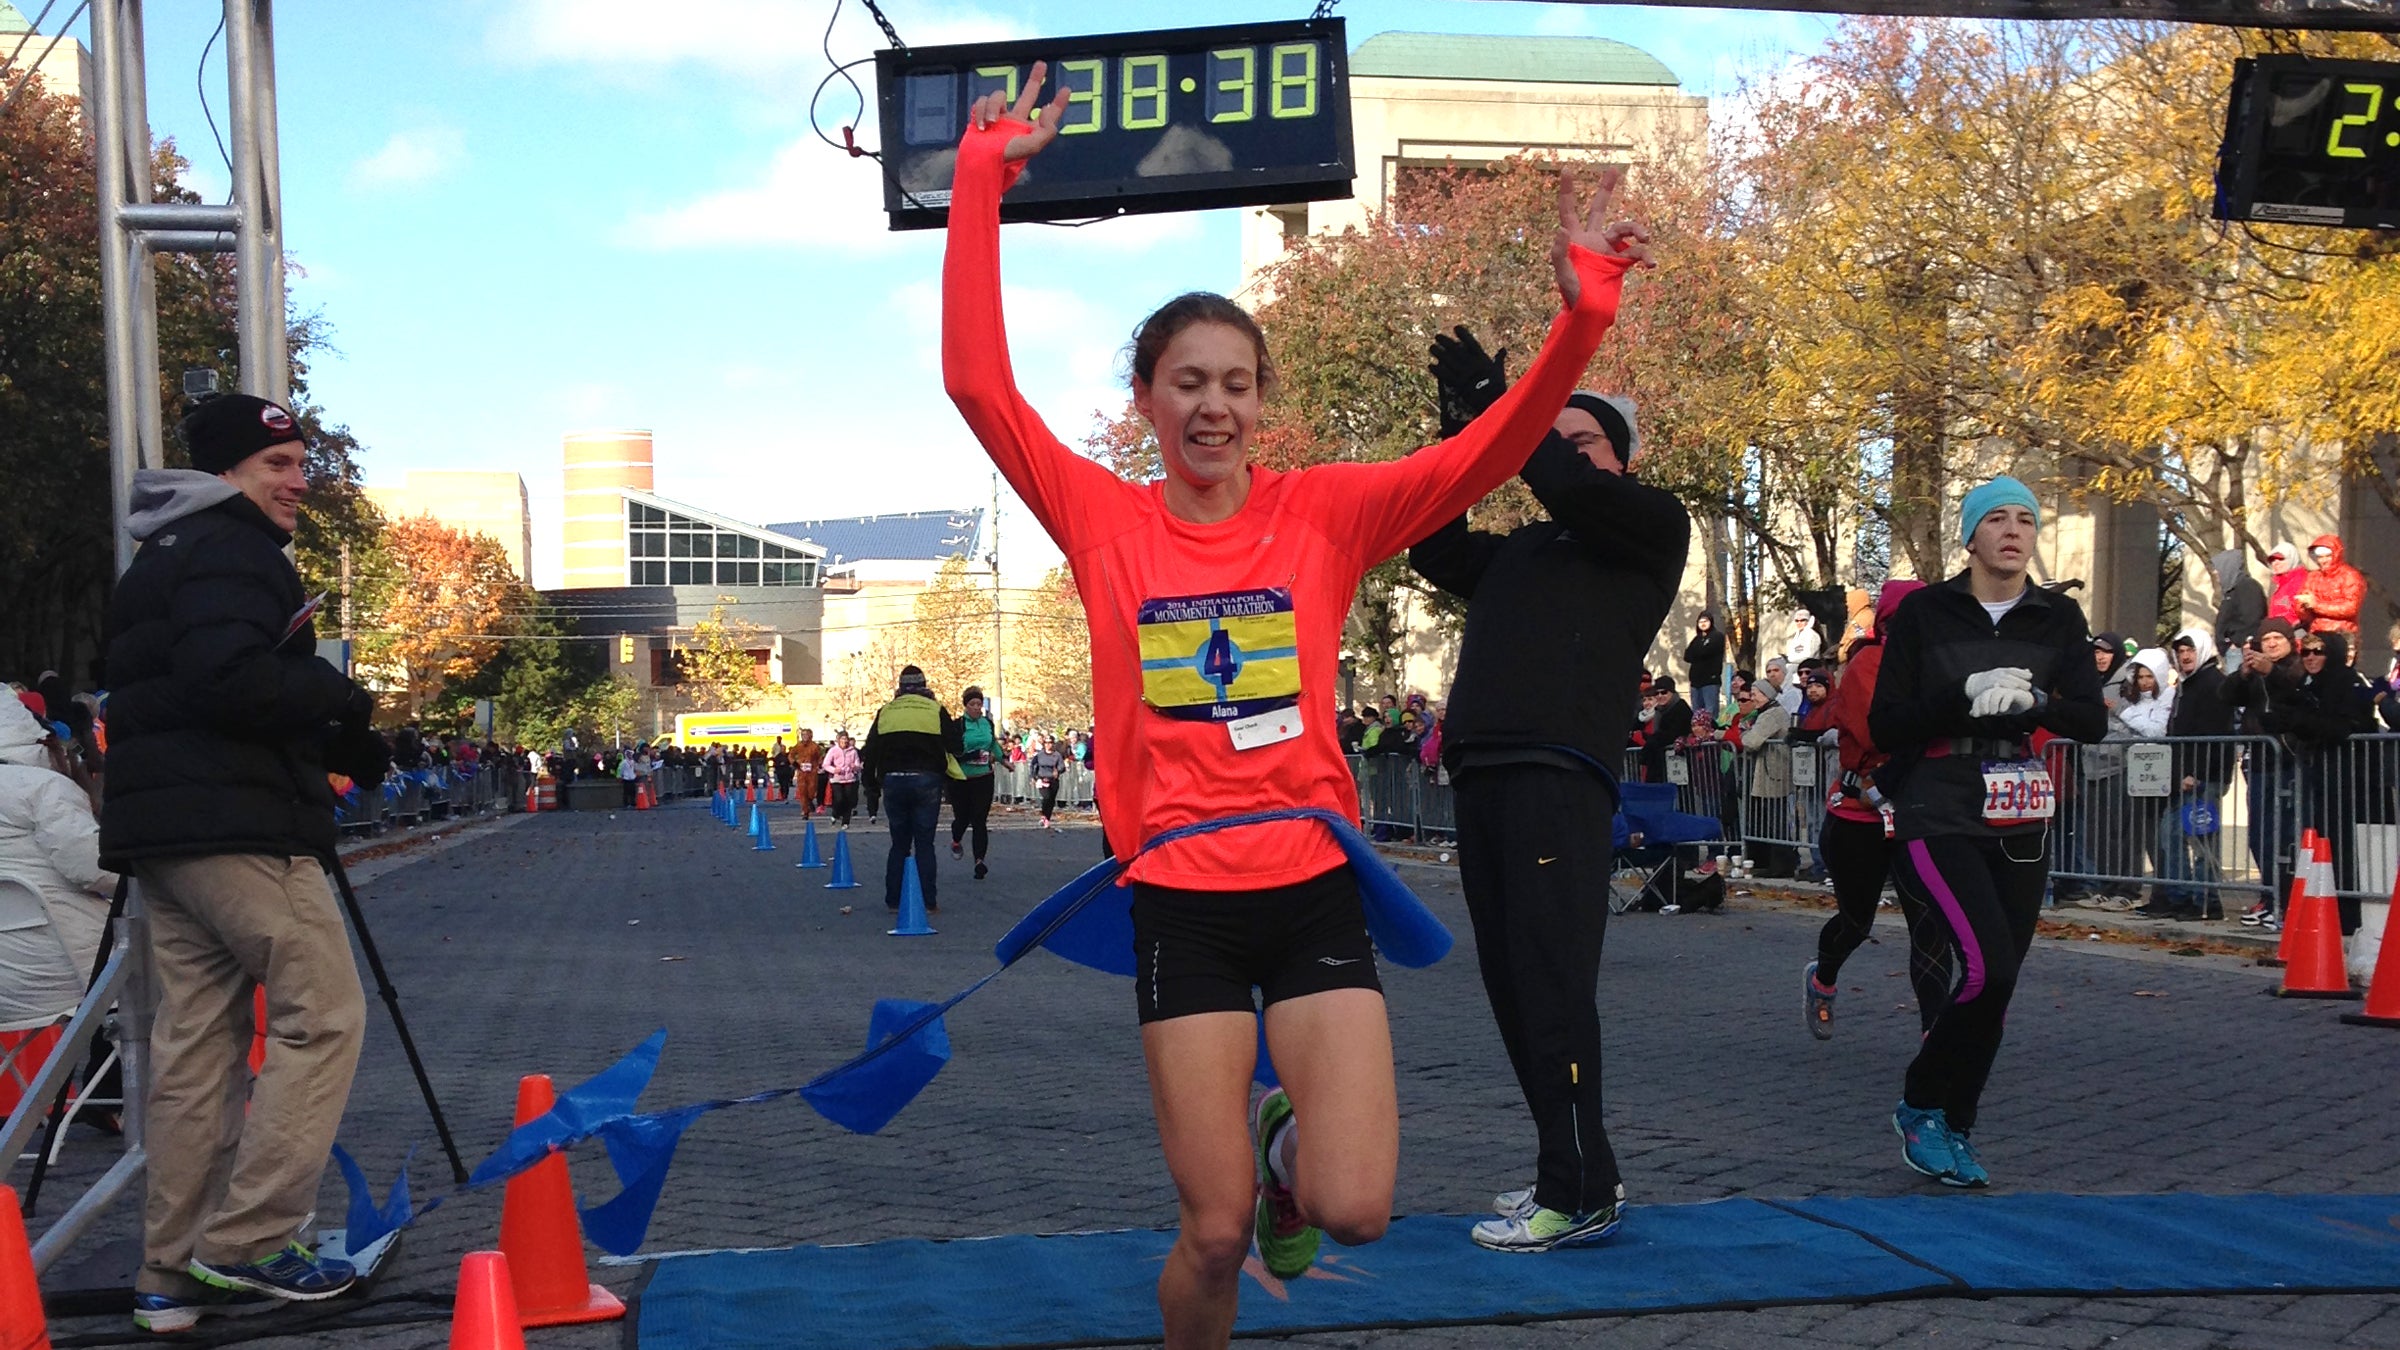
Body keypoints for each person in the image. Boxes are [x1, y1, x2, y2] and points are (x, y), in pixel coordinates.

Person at [943, 69, 1647, 1349]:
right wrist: (981, 186)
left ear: (1261, 401)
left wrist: (1581, 323)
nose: (1213, 405)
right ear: (1147, 400)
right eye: (1186, 382)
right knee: (1213, 1237)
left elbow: (1482, 456)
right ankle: (1234, 1219)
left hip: (1314, 887)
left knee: (1355, 1209)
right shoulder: (1101, 521)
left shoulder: (1322, 512)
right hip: (1180, 904)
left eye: (1236, 383)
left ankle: (1286, 1161)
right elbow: (981, 388)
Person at [100, 394, 391, 1330]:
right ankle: (252, 1240)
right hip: (241, 829)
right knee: (325, 1016)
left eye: (302, 462)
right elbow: (230, 680)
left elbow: (191, 688)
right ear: (225, 472)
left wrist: (326, 733)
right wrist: (339, 700)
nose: (299, 481)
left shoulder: (161, 555)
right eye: (277, 465)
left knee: (197, 1047)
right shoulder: (234, 549)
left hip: (167, 833)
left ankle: (170, 1271)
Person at [1406, 334, 1688, 1251]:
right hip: (1483, 771)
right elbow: (1432, 541)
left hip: (1557, 774)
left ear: (1621, 457)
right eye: (1550, 434)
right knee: (1513, 989)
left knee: (1551, 983)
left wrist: (1512, 408)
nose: (1562, 450)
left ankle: (1574, 1190)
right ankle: (1576, 1170)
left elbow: (1573, 492)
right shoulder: (1524, 549)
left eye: (1582, 439)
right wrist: (1462, 431)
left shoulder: (1650, 527)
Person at [1867, 474, 2106, 1189]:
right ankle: (1920, 1103)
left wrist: (2039, 702)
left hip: (2020, 806)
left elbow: (2091, 720)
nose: (2013, 531)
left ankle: (1955, 1124)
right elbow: (1886, 724)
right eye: (1996, 519)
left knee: (1999, 985)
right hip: (1939, 803)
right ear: (1970, 537)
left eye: (2025, 520)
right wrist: (1962, 696)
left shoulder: (2057, 617)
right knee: (1986, 969)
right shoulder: (1926, 612)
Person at [1801, 580, 1952, 1041]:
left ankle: (1934, 1039)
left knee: (1929, 925)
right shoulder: (1867, 662)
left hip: (1915, 814)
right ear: (1890, 623)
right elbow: (1879, 733)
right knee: (1856, 922)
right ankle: (1823, 977)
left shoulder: (1938, 665)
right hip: (1859, 814)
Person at [0, 704, 117, 1045]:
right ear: (41, 743)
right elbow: (96, 867)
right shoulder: (41, 787)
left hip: (8, 989)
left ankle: (100, 1073)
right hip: (72, 968)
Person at [2222, 618, 2306, 930]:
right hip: (2258, 761)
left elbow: (2295, 694)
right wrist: (2242, 675)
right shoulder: (2255, 673)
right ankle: (2269, 896)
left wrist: (2272, 672)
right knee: (2259, 834)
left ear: (2289, 642)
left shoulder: (2298, 666)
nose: (2271, 643)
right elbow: (2226, 696)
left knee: (2285, 836)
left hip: (2288, 759)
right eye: (2266, 639)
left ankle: (2284, 900)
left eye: (2277, 638)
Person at [2147, 629, 2235, 920]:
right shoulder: (2188, 684)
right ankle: (2181, 895)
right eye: (2181, 651)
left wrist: (2197, 772)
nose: (2185, 656)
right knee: (2171, 833)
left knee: (2202, 841)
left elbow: (2216, 733)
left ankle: (2206, 901)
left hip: (2203, 778)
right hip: (2183, 776)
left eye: (2190, 650)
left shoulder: (2213, 683)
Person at [862, 666, 963, 917]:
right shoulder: (934, 710)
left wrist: (871, 785)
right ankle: (928, 902)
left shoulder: (886, 711)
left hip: (893, 781)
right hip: (927, 780)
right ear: (923, 685)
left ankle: (894, 901)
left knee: (899, 844)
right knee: (924, 843)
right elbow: (956, 746)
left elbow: (870, 751)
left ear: (900, 687)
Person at [1730, 683, 1795, 877]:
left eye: (1755, 694)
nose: (1752, 698)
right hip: (1769, 772)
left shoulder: (1771, 714)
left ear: (1766, 695)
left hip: (1773, 774)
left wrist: (1744, 734)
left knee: (1775, 821)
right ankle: (1768, 861)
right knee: (1767, 820)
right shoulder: (1766, 713)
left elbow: (1751, 742)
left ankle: (1781, 865)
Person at [950, 689, 999, 878]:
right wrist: (972, 755)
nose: (977, 708)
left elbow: (993, 744)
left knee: (979, 820)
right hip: (962, 778)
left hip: (984, 777)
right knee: (962, 818)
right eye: (973, 704)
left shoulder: (987, 723)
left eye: (979, 704)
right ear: (966, 706)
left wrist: (1004, 760)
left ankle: (979, 861)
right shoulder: (958, 725)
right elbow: (953, 753)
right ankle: (956, 840)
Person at [2295, 534, 2366, 638]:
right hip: (2316, 634)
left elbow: (2351, 608)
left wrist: (2316, 605)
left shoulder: (2350, 576)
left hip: (2342, 634)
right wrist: (2302, 606)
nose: (2323, 560)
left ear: (2337, 554)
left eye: (2328, 556)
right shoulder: (2312, 577)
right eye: (2320, 557)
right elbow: (2302, 610)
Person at [2211, 549, 2266, 654]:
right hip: (2233, 650)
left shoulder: (2248, 587)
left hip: (2241, 650)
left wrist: (2241, 642)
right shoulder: (2231, 591)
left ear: (2227, 567)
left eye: (2218, 568)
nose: (2215, 572)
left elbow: (2252, 620)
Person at [1685, 614, 1726, 724]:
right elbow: (1687, 656)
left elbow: (1706, 652)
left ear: (1711, 622)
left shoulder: (1717, 636)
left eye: (1705, 621)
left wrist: (1698, 653)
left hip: (1710, 681)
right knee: (1696, 714)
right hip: (1695, 682)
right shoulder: (1697, 639)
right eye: (1700, 622)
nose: (1703, 624)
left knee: (1710, 714)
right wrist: (1700, 651)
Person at [1027, 733, 1067, 828]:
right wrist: (1033, 777)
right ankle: (1044, 816)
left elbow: (1062, 767)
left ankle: (1047, 818)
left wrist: (1058, 770)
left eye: (1050, 743)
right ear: (1044, 744)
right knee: (1046, 797)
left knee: (1051, 800)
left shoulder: (1057, 755)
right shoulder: (1040, 755)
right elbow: (1033, 765)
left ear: (1053, 744)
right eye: (1046, 743)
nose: (1048, 745)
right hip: (1042, 779)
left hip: (1053, 780)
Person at [824, 730, 863, 827]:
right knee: (839, 799)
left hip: (849, 779)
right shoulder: (833, 750)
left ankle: (845, 822)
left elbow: (858, 765)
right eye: (842, 739)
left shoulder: (853, 751)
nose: (845, 741)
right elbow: (825, 764)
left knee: (848, 801)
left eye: (846, 739)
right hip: (837, 779)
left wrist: (855, 767)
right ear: (838, 740)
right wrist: (834, 770)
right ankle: (835, 814)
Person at [2264, 540, 2307, 626]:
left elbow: (2303, 615)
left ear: (2292, 558)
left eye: (2281, 559)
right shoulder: (2279, 584)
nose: (2276, 563)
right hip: (2279, 631)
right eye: (2272, 560)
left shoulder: (2302, 581)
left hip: (2295, 631)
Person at [792, 729, 823, 815]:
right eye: (803, 734)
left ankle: (809, 800)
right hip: (801, 772)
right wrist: (795, 763)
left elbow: (820, 757)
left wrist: (819, 765)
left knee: (811, 790)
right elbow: (791, 755)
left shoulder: (815, 746)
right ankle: (805, 811)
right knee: (802, 791)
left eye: (806, 734)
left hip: (812, 772)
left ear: (810, 736)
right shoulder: (798, 745)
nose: (804, 736)